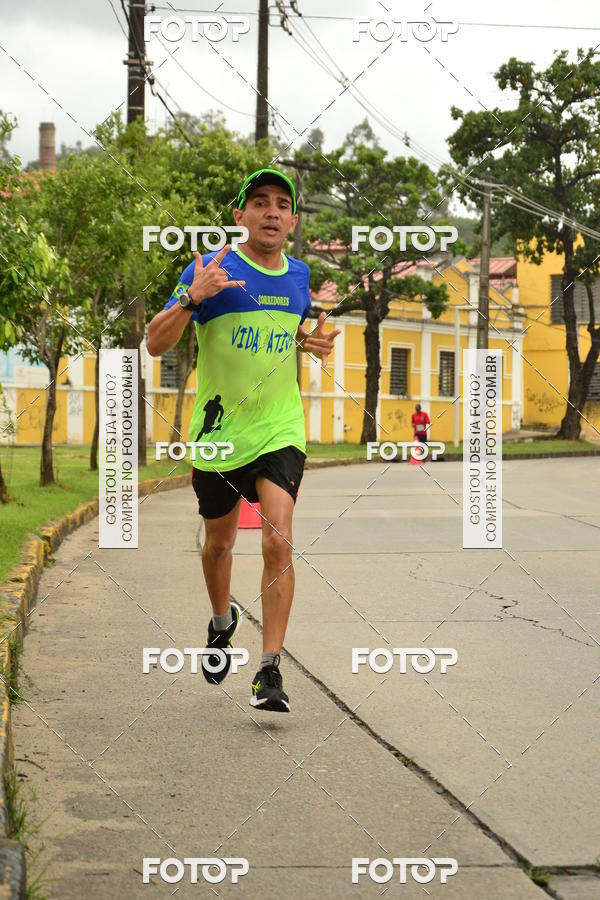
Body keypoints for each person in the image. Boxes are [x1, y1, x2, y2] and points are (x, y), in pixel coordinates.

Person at [147, 168, 340, 713]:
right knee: (221, 544)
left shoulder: (299, 276)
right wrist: (190, 296)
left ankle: (269, 669)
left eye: (282, 204)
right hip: (218, 432)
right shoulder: (210, 270)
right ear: (240, 215)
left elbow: (287, 328)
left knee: (278, 539)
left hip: (281, 425)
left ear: (294, 220)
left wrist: (310, 344)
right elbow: (155, 343)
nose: (272, 212)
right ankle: (220, 619)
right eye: (260, 203)